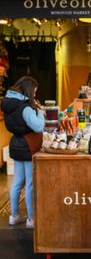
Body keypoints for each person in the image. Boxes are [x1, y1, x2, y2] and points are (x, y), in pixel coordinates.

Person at [1, 76, 45, 229]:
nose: (35, 94)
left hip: (16, 143)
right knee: (30, 184)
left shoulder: (9, 103)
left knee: (17, 182)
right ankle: (31, 219)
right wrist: (40, 112)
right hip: (27, 145)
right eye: (34, 91)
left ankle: (14, 215)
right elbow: (38, 127)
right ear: (29, 89)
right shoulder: (25, 108)